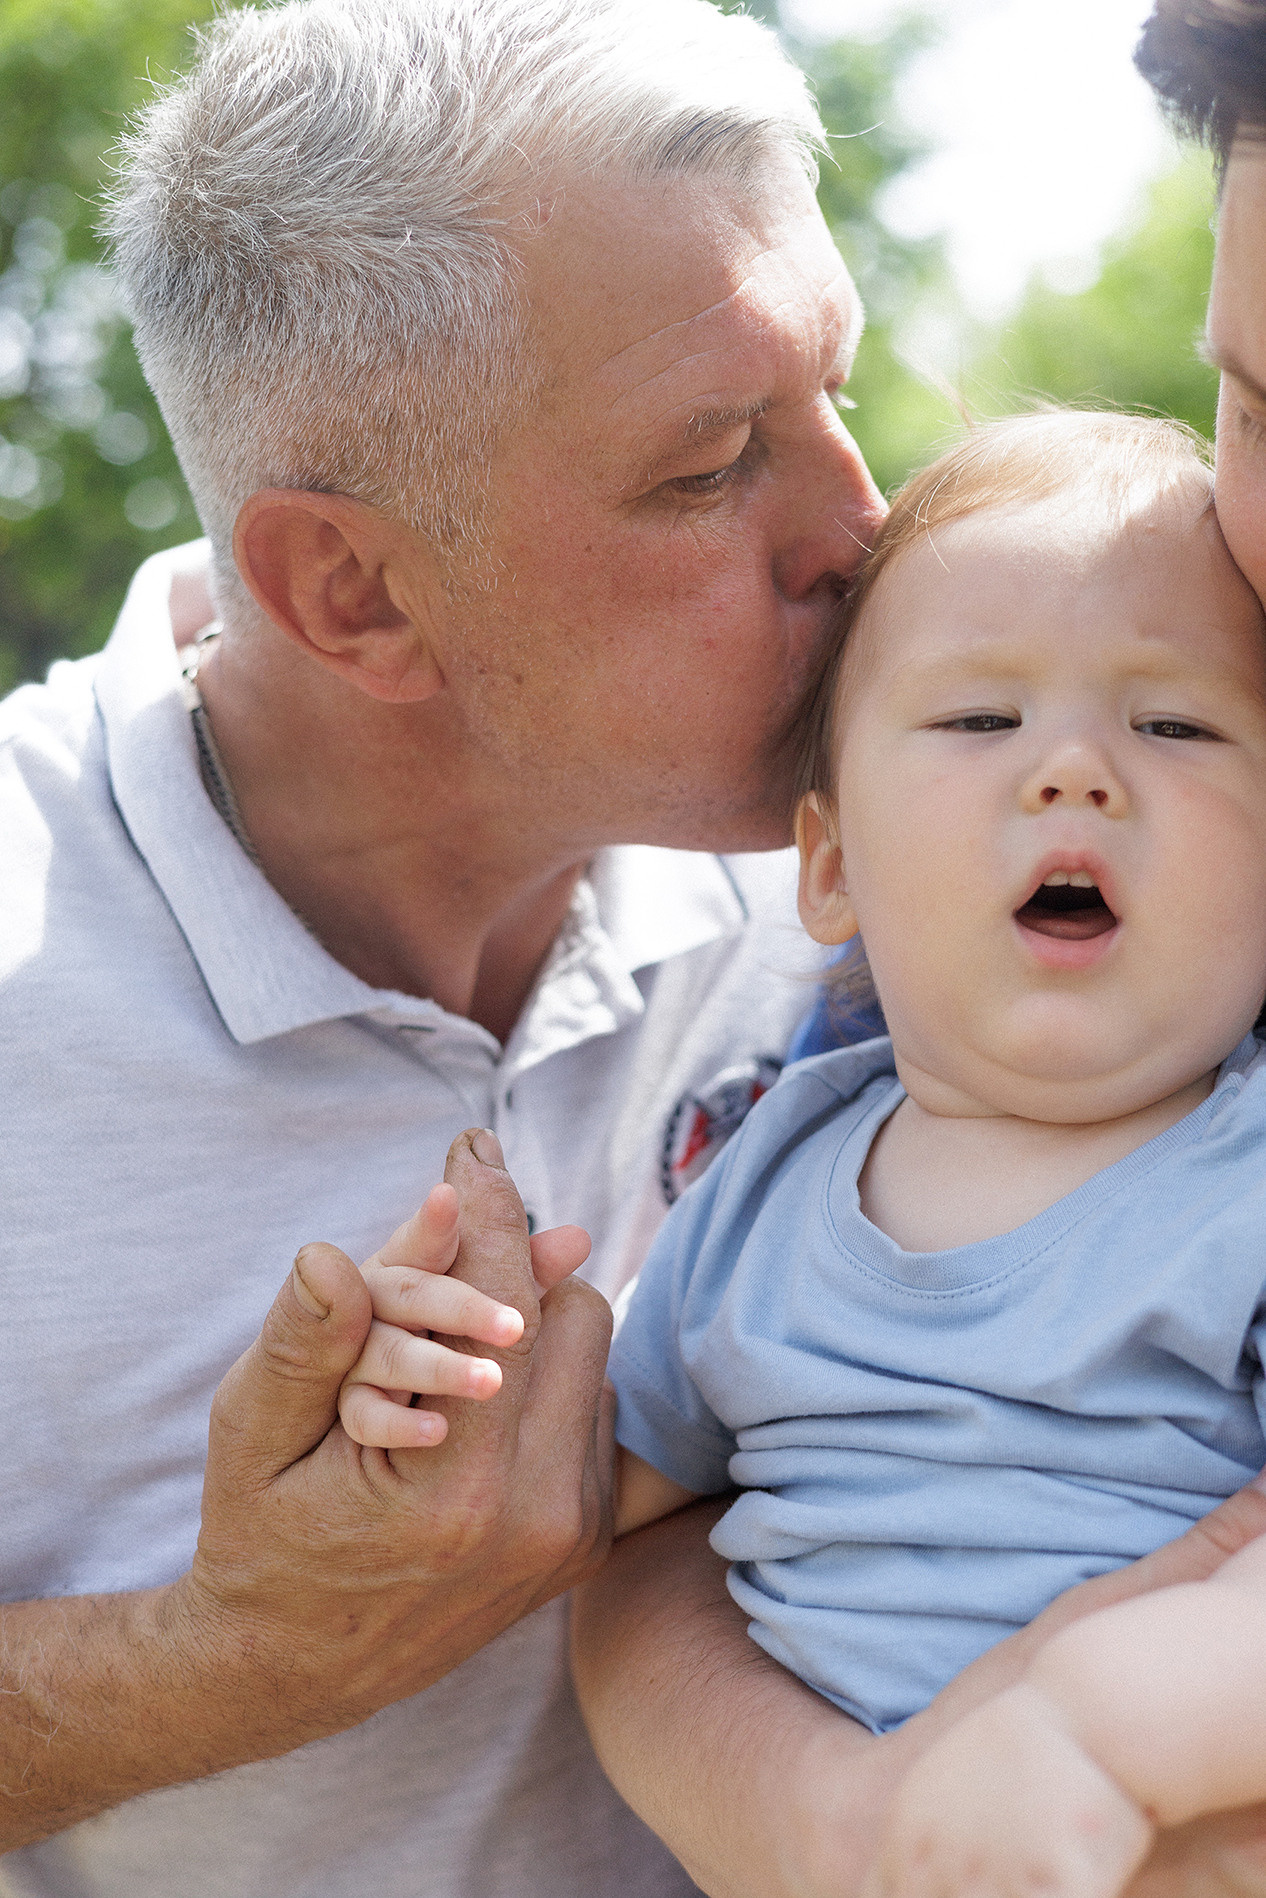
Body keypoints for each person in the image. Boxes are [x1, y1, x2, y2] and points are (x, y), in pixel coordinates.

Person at [0, 0, 885, 1890]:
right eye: (713, 461)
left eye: (840, 392)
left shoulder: (890, 871)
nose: (860, 526)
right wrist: (233, 1656)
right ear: (349, 587)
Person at [572, 11, 1266, 1897]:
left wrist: (1098, 1734)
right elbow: (605, 1527)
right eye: (1263, 402)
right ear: (825, 870)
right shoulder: (769, 1157)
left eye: (1180, 731)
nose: (1069, 771)